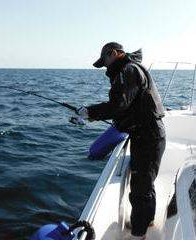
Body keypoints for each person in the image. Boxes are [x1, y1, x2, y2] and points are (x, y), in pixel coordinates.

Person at [77, 42, 166, 239]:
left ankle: (139, 234)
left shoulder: (129, 70)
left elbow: (119, 104)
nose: (106, 67)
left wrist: (90, 111)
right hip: (147, 134)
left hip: (148, 136)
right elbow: (127, 109)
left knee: (141, 187)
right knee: (145, 182)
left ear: (115, 53)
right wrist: (91, 115)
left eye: (105, 61)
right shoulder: (130, 69)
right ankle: (147, 220)